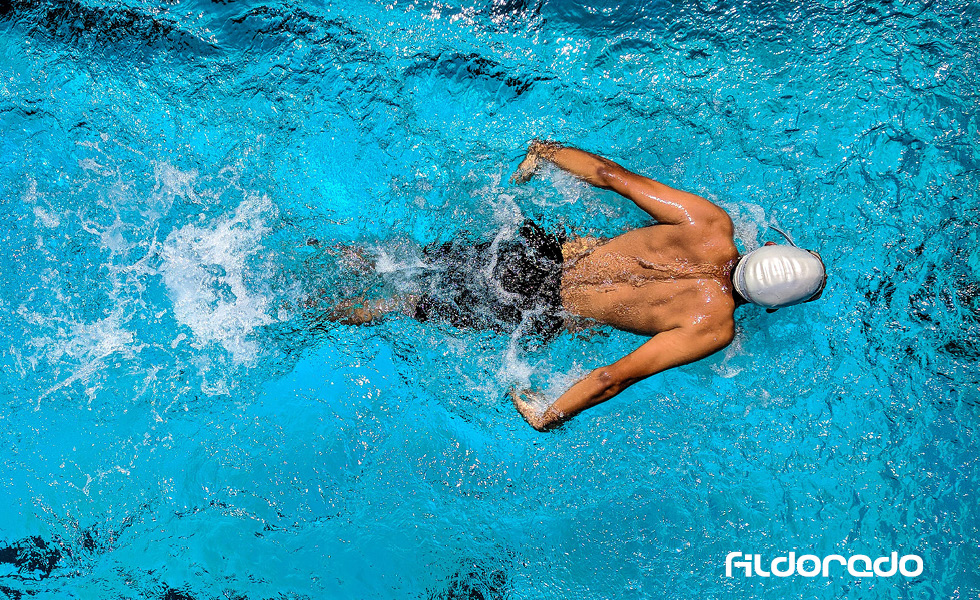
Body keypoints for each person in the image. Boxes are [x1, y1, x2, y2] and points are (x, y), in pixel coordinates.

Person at [327, 141, 827, 431]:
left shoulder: (709, 224)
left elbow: (611, 175)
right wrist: (550, 414)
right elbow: (613, 377)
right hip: (537, 308)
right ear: (773, 306)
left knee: (399, 260)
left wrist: (546, 153)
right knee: (403, 305)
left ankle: (322, 249)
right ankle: (314, 311)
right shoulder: (712, 326)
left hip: (533, 253)